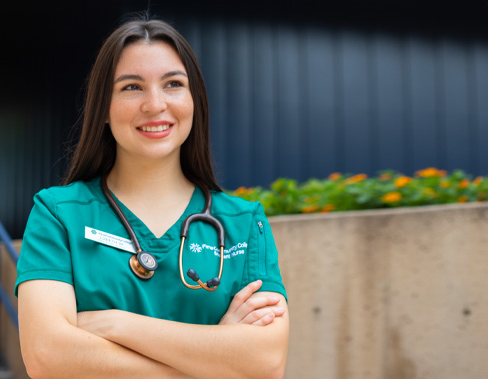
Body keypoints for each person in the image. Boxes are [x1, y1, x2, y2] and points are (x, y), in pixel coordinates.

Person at [16, 17, 289, 378]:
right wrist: (215, 355)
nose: (155, 104)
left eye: (173, 84)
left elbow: (266, 363)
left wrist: (115, 325)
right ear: (103, 108)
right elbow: (47, 356)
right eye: (132, 87)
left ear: (195, 101)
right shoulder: (58, 215)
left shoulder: (243, 223)